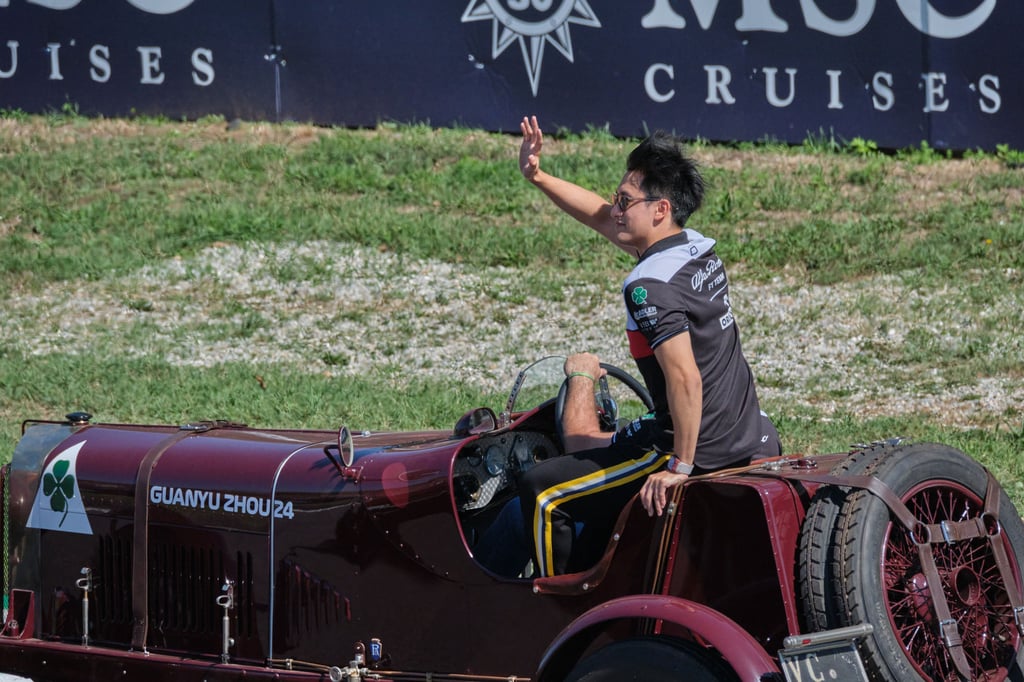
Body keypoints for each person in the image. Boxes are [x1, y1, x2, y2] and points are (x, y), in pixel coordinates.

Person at [492, 116, 780, 578]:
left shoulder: (648, 285)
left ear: (660, 209)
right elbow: (600, 216)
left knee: (542, 492)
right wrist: (538, 176)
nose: (615, 208)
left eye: (625, 200)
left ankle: (559, 611)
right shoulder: (693, 250)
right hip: (742, 428)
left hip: (696, 446)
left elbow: (685, 376)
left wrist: (681, 467)